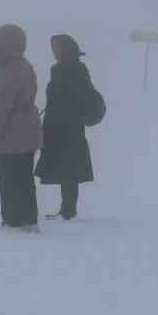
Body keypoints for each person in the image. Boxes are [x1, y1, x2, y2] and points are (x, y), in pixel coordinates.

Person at [0, 24, 42, 229]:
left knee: (8, 179)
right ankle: (28, 220)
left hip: (9, 134)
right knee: (24, 179)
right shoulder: (25, 66)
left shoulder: (8, 73)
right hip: (28, 131)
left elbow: (0, 110)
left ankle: (12, 221)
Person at [35, 33, 97, 220]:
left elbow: (82, 94)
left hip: (70, 126)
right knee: (64, 168)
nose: (54, 52)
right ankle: (66, 208)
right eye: (52, 48)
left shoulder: (77, 69)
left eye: (56, 47)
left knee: (70, 168)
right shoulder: (58, 69)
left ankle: (69, 210)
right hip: (56, 126)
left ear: (65, 49)